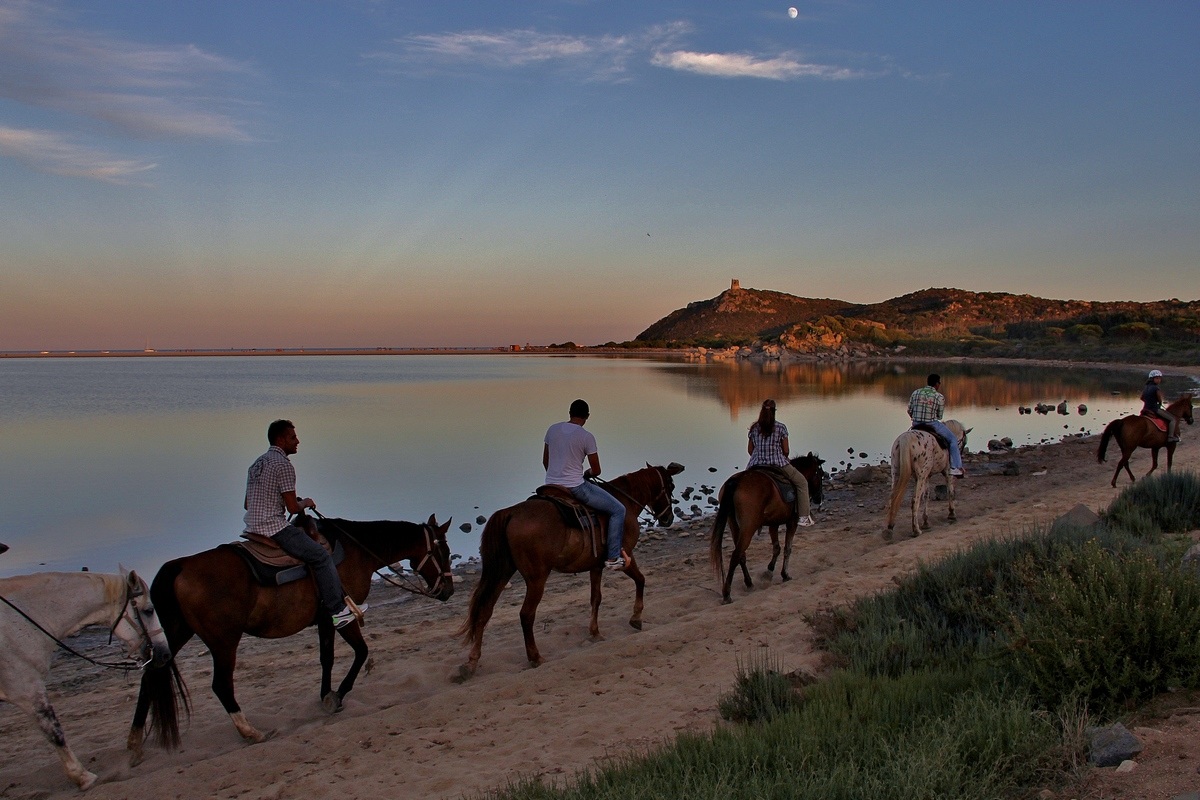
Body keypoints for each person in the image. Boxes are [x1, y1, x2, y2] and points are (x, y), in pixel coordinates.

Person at [244, 419, 363, 628]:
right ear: (280, 439)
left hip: (252, 527)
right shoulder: (283, 465)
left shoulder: (257, 464)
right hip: (273, 528)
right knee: (320, 556)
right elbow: (292, 508)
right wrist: (305, 502)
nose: (297, 441)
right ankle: (338, 611)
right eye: (292, 437)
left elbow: (248, 503)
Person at [543, 399, 629, 571]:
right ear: (587, 417)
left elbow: (546, 461)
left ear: (569, 413)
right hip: (575, 487)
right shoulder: (586, 437)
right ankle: (613, 557)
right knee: (618, 510)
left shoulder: (552, 429)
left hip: (550, 485)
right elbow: (596, 470)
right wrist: (587, 474)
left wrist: (555, 475)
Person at [747, 399, 814, 527]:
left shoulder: (754, 428)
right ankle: (803, 516)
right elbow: (786, 450)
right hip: (777, 463)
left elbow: (750, 450)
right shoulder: (781, 427)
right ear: (774, 411)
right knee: (801, 482)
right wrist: (785, 457)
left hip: (755, 464)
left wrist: (759, 457)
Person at [908, 374, 966, 477]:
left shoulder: (915, 393)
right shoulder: (939, 397)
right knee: (952, 439)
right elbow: (939, 416)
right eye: (939, 383)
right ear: (937, 384)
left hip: (916, 423)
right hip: (931, 424)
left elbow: (909, 411)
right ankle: (956, 467)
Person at [1142, 369, 1180, 442]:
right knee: (1172, 419)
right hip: (1154, 409)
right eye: (1157, 378)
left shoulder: (1146, 387)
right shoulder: (1156, 388)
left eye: (1159, 378)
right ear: (1152, 379)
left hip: (1145, 409)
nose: (1159, 380)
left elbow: (1142, 398)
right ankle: (1170, 437)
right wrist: (1158, 403)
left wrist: (1148, 401)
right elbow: (1159, 399)